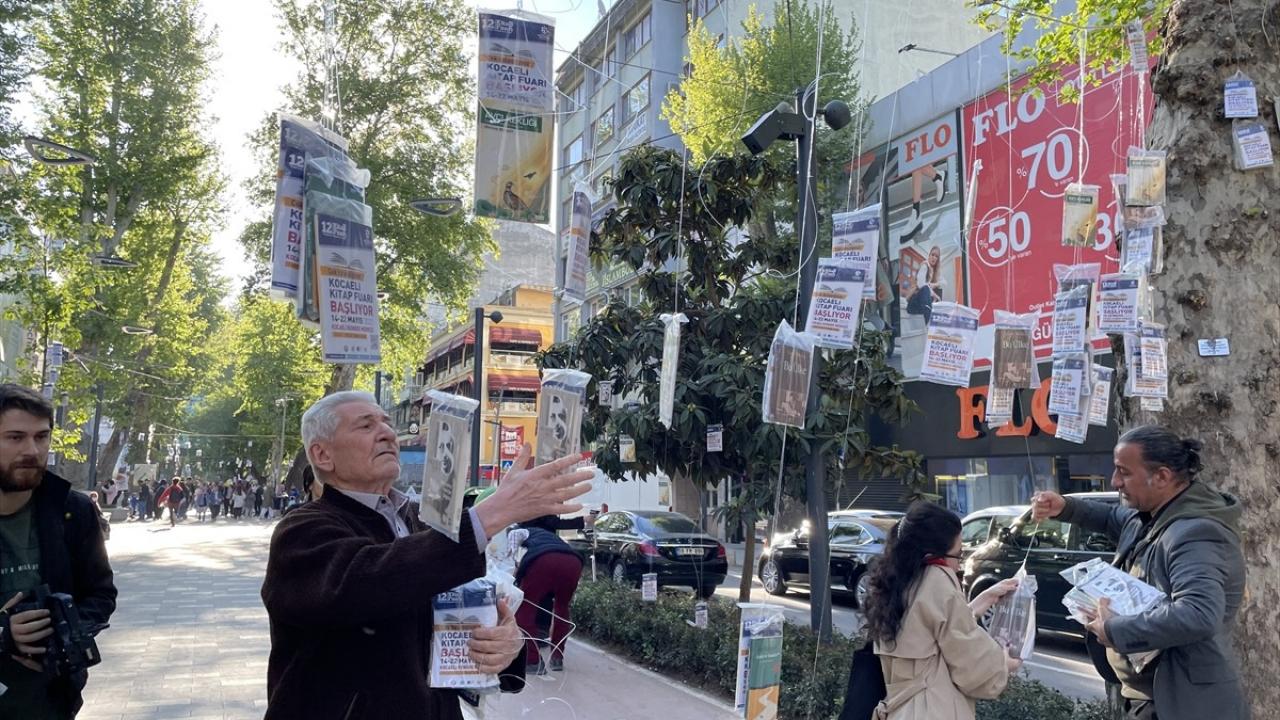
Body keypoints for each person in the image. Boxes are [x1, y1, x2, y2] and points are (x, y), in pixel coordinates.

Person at [261, 391, 593, 719]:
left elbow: (456, 614)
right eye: (365, 426)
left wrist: (505, 645)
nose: (387, 433)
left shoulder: (422, 520)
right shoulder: (301, 532)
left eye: (386, 423)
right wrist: (486, 517)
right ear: (322, 455)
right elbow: (372, 581)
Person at [1030, 426, 1245, 720]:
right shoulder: (1152, 514)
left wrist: (1115, 630)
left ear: (1162, 477)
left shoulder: (1195, 533)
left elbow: (1199, 613)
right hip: (1149, 698)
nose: (1115, 481)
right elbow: (1109, 517)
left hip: (1182, 704)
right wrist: (1066, 506)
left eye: (1124, 472)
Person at [0, 384, 116, 718]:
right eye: (15, 437)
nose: (33, 450)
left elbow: (101, 594)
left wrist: (65, 630)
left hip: (50, 702)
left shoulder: (73, 511)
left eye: (41, 436)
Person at [862, 501, 1020, 719]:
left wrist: (979, 603)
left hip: (898, 709)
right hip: (933, 708)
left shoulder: (897, 578)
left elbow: (925, 631)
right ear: (936, 553)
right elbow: (972, 666)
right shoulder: (938, 579)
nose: (959, 565)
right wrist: (1004, 664)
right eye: (958, 554)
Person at [513, 514, 585, 674]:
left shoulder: (518, 530)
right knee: (561, 608)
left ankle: (533, 661)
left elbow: (512, 558)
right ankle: (557, 657)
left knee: (525, 608)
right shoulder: (550, 535)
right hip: (573, 561)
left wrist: (516, 578)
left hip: (544, 560)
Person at [905, 246, 945, 324]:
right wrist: (934, 295)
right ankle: (929, 321)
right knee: (926, 288)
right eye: (932, 255)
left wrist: (934, 284)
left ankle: (935, 316)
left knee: (938, 290)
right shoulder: (925, 265)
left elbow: (944, 282)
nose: (934, 257)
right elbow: (921, 284)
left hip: (920, 304)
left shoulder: (933, 270)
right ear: (929, 255)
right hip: (913, 303)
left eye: (936, 256)